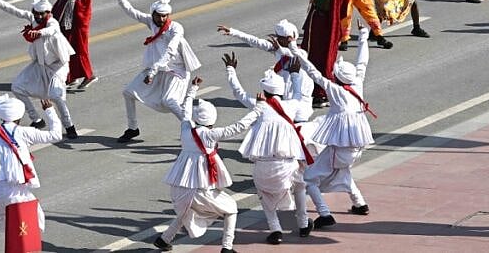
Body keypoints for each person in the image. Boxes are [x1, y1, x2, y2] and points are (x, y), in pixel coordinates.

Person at [283, 25, 375, 227]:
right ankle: (359, 203)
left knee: (309, 178)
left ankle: (324, 214)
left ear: (337, 77)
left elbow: (313, 72)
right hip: (356, 149)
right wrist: (363, 36)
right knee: (342, 171)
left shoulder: (335, 90)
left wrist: (293, 48)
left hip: (342, 149)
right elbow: (362, 62)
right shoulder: (357, 84)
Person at [153, 95, 261, 253]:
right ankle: (227, 247)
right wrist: (258, 109)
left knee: (186, 211)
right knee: (231, 208)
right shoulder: (210, 135)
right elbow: (239, 126)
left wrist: (192, 91)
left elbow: (185, 113)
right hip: (199, 189)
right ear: (213, 118)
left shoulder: (185, 129)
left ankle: (164, 239)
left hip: (179, 187)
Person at [112, 0, 201, 143]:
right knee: (128, 92)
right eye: (158, 16)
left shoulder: (176, 29)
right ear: (152, 14)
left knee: (170, 101)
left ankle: (194, 131)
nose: (161, 20)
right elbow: (129, 10)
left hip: (176, 70)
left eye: (164, 16)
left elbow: (170, 51)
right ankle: (133, 128)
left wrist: (153, 72)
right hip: (157, 69)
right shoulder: (151, 22)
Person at [0, 95, 63, 253]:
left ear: (1, 116)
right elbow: (56, 135)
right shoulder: (24, 132)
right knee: (33, 216)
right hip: (14, 191)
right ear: (19, 117)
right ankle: (24, 247)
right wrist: (49, 110)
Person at [0, 0, 78, 139]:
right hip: (39, 65)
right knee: (17, 87)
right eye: (36, 13)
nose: (38, 16)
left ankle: (69, 126)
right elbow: (12, 9)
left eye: (41, 14)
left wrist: (39, 33)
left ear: (48, 12)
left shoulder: (52, 23)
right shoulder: (33, 19)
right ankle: (37, 119)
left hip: (56, 67)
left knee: (56, 96)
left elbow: (51, 30)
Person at [235, 69, 313, 245]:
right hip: (288, 164)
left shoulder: (260, 107)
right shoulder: (291, 105)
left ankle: (275, 230)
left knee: (264, 195)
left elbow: (238, 93)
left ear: (264, 91)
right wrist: (294, 75)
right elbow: (299, 94)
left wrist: (231, 71)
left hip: (263, 164)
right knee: (300, 187)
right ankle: (303, 223)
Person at [217, 19, 314, 120]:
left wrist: (280, 49)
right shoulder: (278, 49)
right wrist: (233, 32)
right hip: (285, 99)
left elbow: (293, 54)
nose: (277, 40)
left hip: (299, 101)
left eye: (280, 38)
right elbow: (256, 41)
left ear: (289, 39)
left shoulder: (301, 54)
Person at [297, 0, 350, 106]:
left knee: (313, 56)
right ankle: (322, 92)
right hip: (326, 27)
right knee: (323, 57)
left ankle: (318, 93)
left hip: (318, 26)